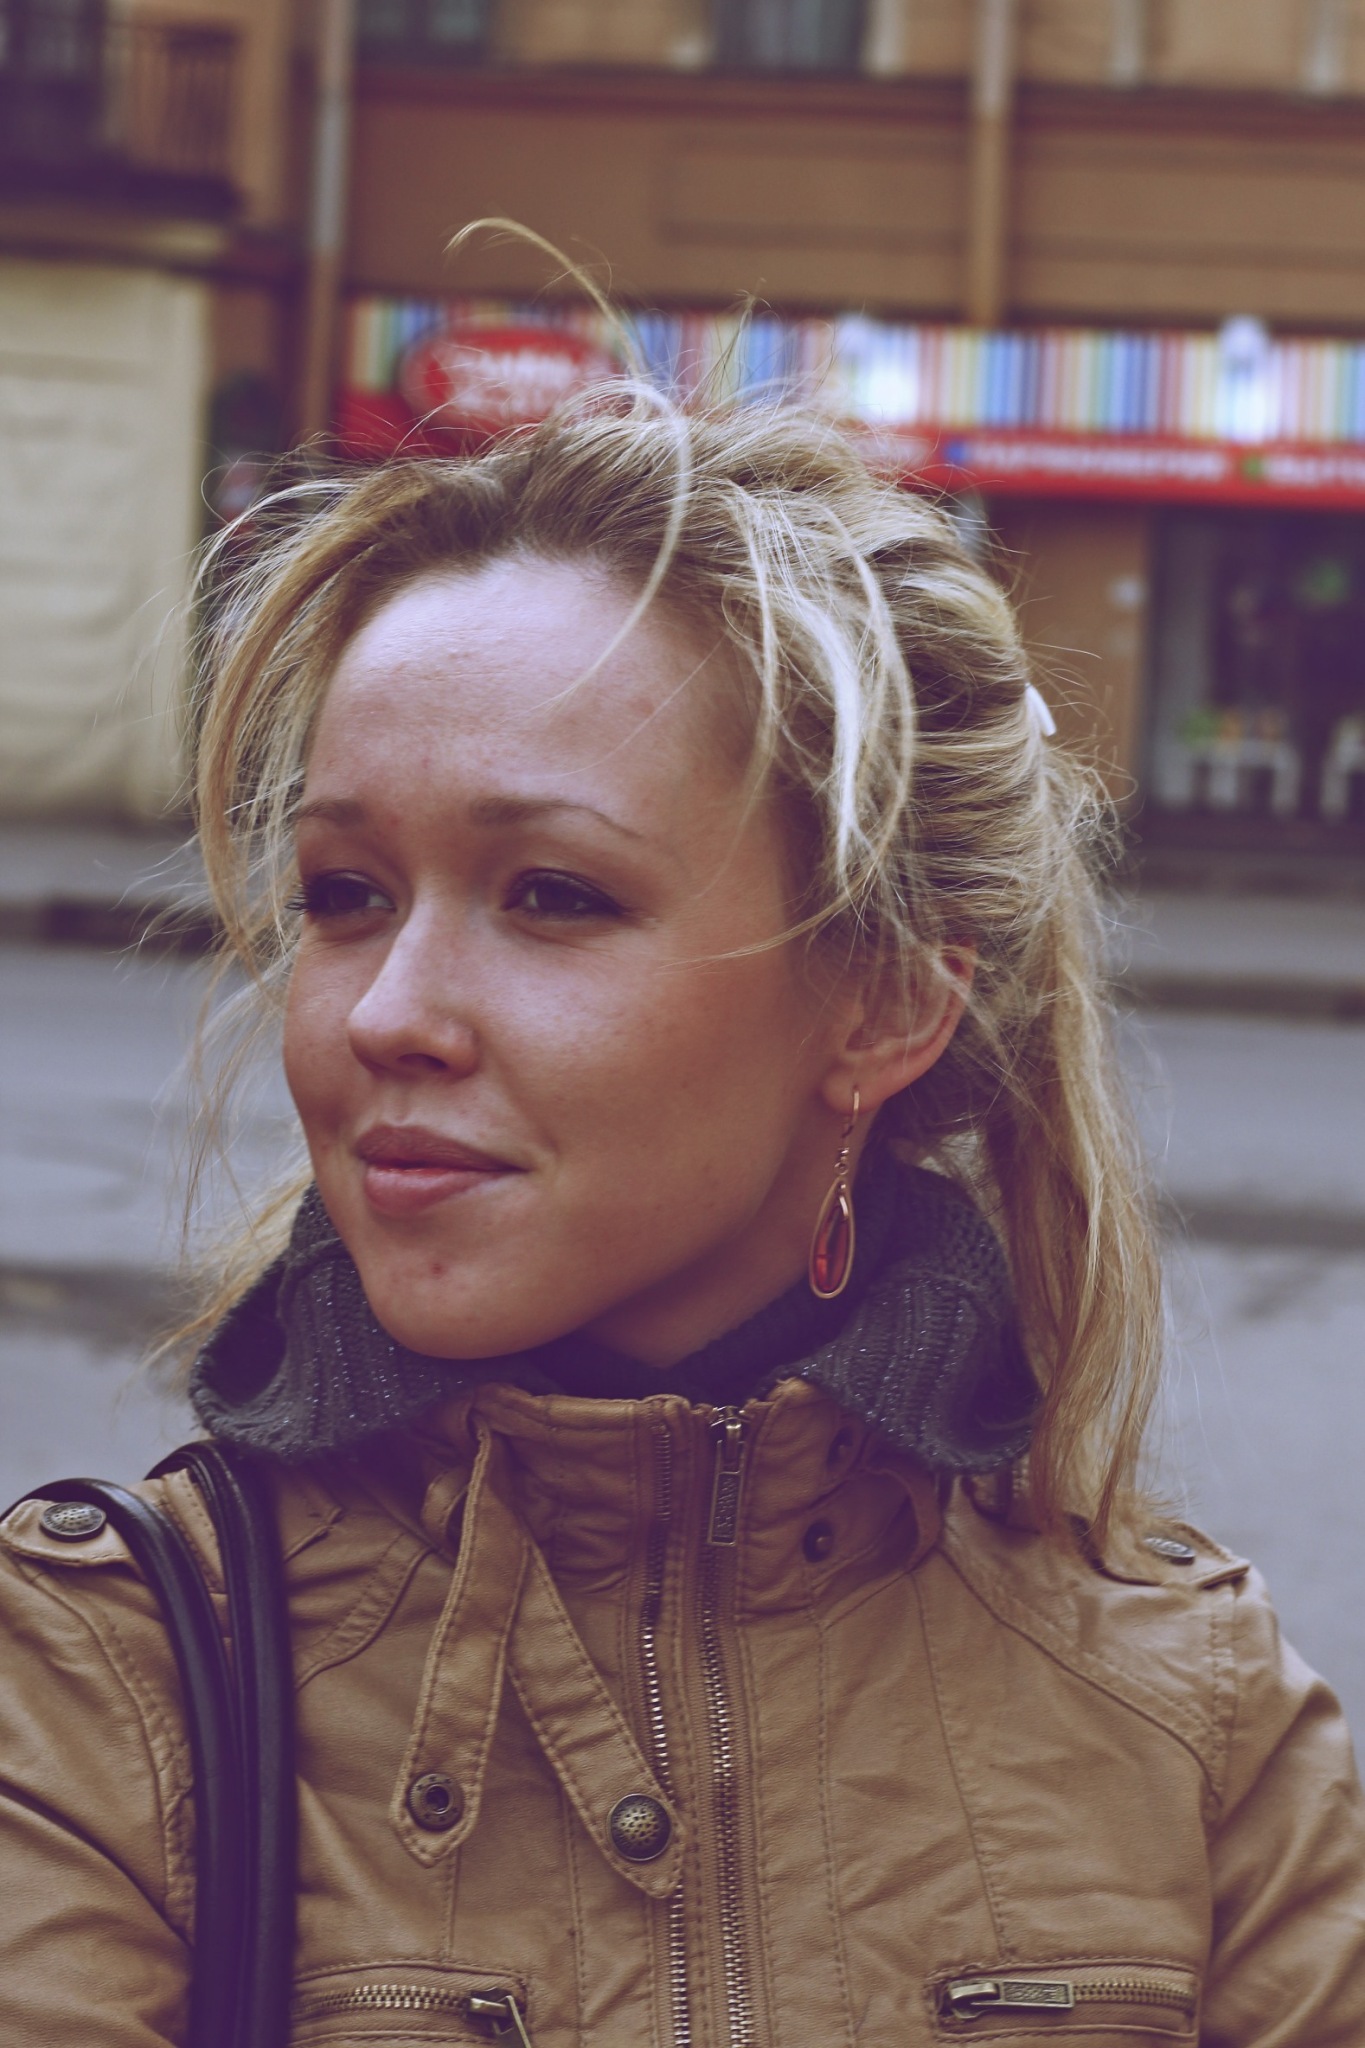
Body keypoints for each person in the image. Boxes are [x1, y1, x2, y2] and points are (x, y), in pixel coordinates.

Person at [2, 373, 1363, 2048]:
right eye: (344, 893)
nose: (383, 1011)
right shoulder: (110, 1679)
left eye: (550, 894)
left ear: (881, 1002)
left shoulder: (1192, 1723)